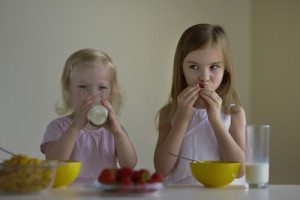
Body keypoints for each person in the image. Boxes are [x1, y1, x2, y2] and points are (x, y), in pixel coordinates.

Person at [154, 24, 246, 184]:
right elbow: (161, 170)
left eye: (214, 67)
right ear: (181, 68)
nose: (204, 77)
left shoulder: (234, 114)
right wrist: (182, 119)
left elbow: (239, 171)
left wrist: (216, 121)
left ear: (225, 70)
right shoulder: (170, 112)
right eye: (194, 67)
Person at [40, 48, 137, 183]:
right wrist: (74, 128)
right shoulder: (59, 127)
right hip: (68, 195)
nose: (92, 95)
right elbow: (53, 163)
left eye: (101, 88)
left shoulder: (114, 129)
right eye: (82, 87)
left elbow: (130, 165)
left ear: (111, 91)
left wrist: (118, 132)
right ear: (68, 89)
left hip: (104, 193)